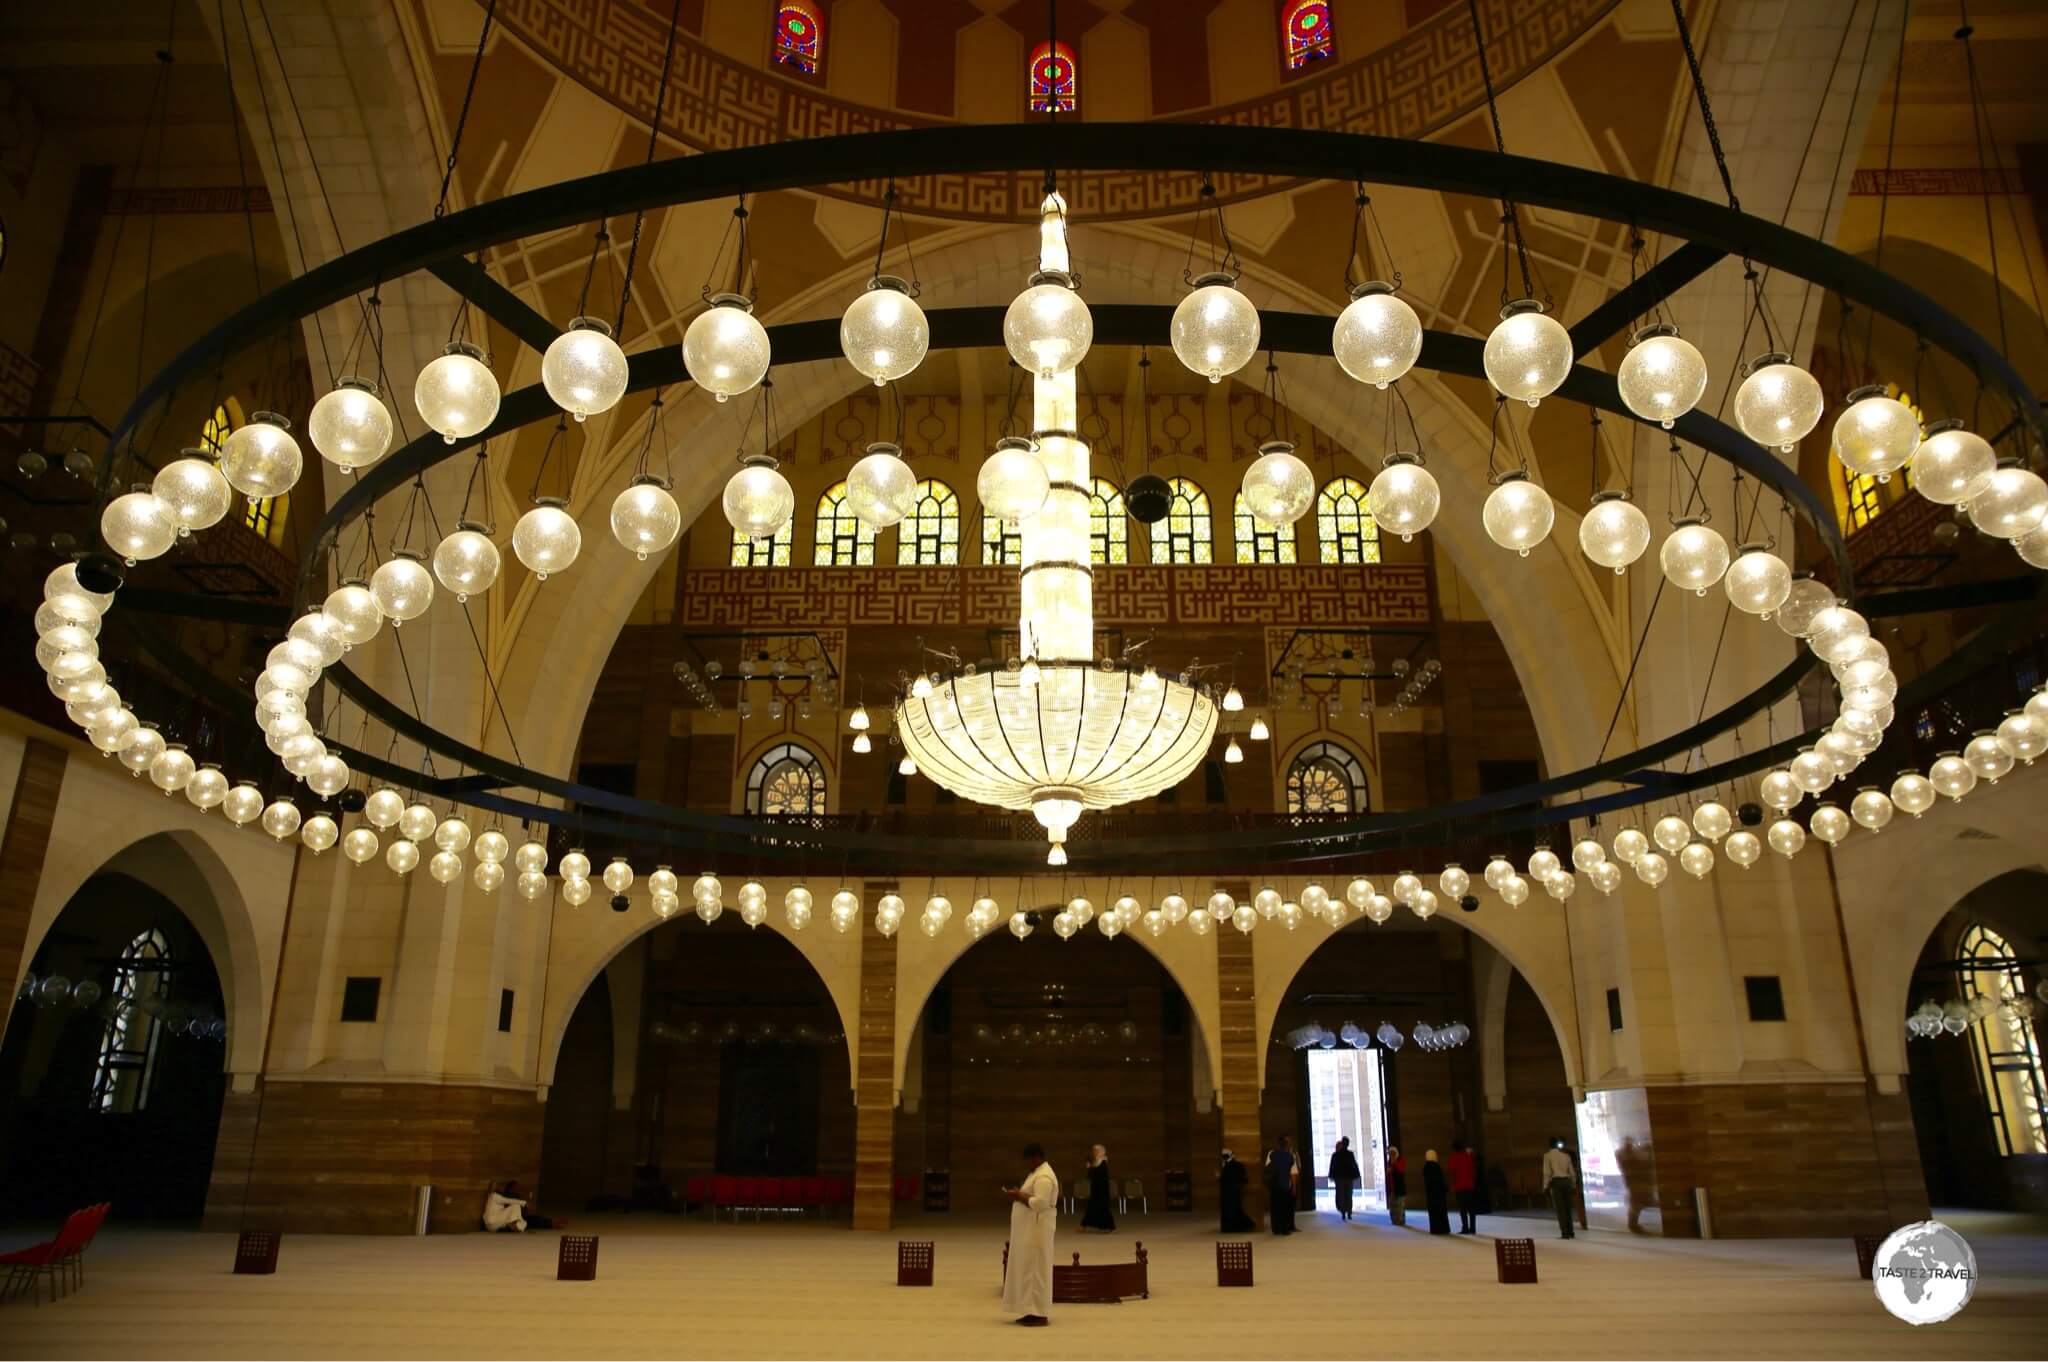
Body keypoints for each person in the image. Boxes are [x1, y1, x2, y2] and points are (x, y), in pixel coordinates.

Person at [1003, 1143, 1059, 1326]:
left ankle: (1039, 1313)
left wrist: (1019, 1195)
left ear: (1036, 1158)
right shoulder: (1036, 1173)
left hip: (1037, 1232)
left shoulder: (1044, 1177)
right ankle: (1029, 1310)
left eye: (1027, 1160)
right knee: (1028, 1271)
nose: (1026, 1164)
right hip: (1030, 1231)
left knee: (1036, 1272)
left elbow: (1040, 1204)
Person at [482, 1180, 559, 1232]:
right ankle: (514, 1224)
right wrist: (525, 1203)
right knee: (518, 1209)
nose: (518, 1188)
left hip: (499, 1221)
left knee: (526, 1221)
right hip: (493, 1222)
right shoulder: (494, 1196)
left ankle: (516, 1226)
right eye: (516, 1187)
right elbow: (510, 1201)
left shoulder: (502, 1196)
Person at [1543, 1137, 1577, 1239]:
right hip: (1567, 1181)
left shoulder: (1547, 1156)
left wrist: (1545, 1186)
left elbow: (1547, 1172)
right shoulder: (1566, 1156)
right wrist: (1574, 1184)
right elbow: (1572, 1172)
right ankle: (1571, 1231)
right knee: (1567, 1208)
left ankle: (1565, 1233)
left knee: (1560, 1209)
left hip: (1557, 1182)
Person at [1264, 1136, 1298, 1235]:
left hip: (1274, 1184)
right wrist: (1293, 1186)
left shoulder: (1272, 1155)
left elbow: (1267, 1168)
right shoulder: (1290, 1156)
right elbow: (1292, 1172)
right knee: (1284, 1207)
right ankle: (1284, 1228)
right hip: (1285, 1184)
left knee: (1275, 1207)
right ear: (1287, 1145)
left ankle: (1275, 1228)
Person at [1080, 1144, 1116, 1232]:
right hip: (1096, 1189)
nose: (1094, 1153)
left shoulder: (1103, 1162)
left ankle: (1112, 1227)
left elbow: (1100, 1175)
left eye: (1096, 1151)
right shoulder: (1096, 1162)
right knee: (1091, 1208)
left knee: (1104, 1209)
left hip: (1102, 1190)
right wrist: (1090, 1168)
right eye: (1093, 1151)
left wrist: (1091, 1168)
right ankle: (1083, 1226)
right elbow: (1090, 1176)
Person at [1217, 1149, 1255, 1232]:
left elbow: (1225, 1179)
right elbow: (1244, 1179)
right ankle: (1242, 1226)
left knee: (1230, 1210)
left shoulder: (1227, 1166)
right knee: (1235, 1209)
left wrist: (1219, 1177)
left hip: (1228, 1192)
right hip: (1235, 1191)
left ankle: (1234, 1227)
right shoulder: (1238, 1165)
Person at [1447, 1140, 1479, 1234]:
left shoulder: (1453, 1158)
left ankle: (1465, 1227)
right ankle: (1473, 1228)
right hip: (1470, 1186)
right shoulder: (1468, 1157)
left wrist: (1452, 1186)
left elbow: (1452, 1173)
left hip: (1459, 1186)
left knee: (1463, 1209)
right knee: (1472, 1209)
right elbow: (1473, 1170)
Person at [1327, 1136, 1361, 1222]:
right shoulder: (1350, 1154)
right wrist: (1357, 1175)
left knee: (1341, 1194)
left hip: (1339, 1178)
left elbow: (1332, 1166)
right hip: (1349, 1177)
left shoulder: (1336, 1155)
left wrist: (1331, 1176)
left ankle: (1343, 1212)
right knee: (1348, 1194)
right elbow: (1354, 1165)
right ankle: (1349, 1211)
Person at [1421, 1149, 1449, 1235]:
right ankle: (1443, 1229)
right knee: (1441, 1211)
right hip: (1439, 1193)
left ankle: (1435, 1229)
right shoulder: (1437, 1167)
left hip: (1431, 1194)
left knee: (1433, 1212)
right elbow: (1441, 1181)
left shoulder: (1426, 1168)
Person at [1385, 1145, 1407, 1226]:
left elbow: (1401, 1170)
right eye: (1390, 1154)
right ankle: (1394, 1220)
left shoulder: (1400, 1160)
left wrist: (1395, 1165)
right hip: (1391, 1187)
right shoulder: (1389, 1162)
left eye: (1392, 1153)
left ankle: (1401, 1220)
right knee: (1393, 1205)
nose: (1391, 1155)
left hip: (1399, 1186)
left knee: (1400, 1205)